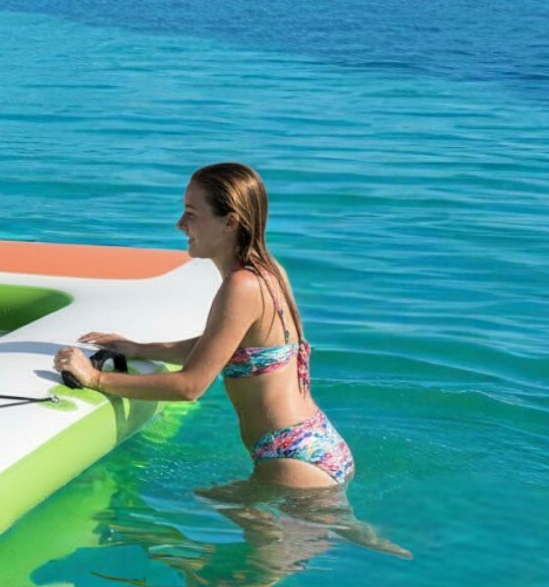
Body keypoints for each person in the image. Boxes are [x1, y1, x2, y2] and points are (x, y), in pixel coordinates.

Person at [53, 161, 356, 490]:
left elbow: (190, 387)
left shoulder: (241, 286)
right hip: (317, 440)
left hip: (291, 462)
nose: (180, 224)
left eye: (191, 214)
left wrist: (95, 378)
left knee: (207, 505)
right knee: (215, 501)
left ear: (229, 222)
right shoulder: (270, 272)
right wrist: (140, 349)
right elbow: (227, 346)